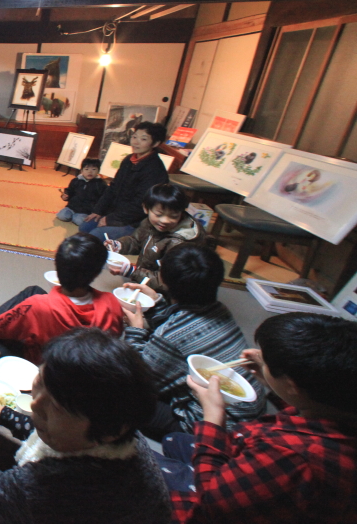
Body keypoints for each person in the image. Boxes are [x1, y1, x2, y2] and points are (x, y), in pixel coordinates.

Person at [0, 328, 172, 524]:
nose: (35, 405)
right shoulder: (123, 433)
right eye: (40, 381)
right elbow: (52, 432)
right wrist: (2, 413)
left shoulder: (52, 487)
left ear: (110, 431)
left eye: (56, 407)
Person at [160, 312, 357, 524]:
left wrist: (213, 415)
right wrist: (269, 379)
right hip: (246, 455)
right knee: (173, 440)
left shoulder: (292, 457)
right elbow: (302, 404)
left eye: (266, 360)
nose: (255, 355)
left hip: (208, 508)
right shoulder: (337, 407)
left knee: (142, 465)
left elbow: (210, 504)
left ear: (292, 385)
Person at [121, 243, 266, 438]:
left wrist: (135, 330)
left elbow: (139, 377)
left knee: (123, 395)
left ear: (164, 280)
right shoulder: (219, 309)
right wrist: (157, 303)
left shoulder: (172, 335)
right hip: (251, 412)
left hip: (219, 425)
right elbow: (182, 319)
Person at [0, 233, 123, 365]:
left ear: (57, 266)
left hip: (41, 365)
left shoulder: (40, 306)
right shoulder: (112, 303)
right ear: (96, 272)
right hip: (75, 363)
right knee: (33, 290)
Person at [105, 183, 204, 293]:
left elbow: (165, 281)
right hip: (146, 280)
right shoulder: (149, 223)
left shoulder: (179, 243)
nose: (165, 220)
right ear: (146, 208)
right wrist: (119, 245)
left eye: (173, 216)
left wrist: (133, 272)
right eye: (159, 214)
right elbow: (136, 241)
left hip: (166, 293)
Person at [80, 122, 169, 241]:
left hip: (136, 221)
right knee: (85, 227)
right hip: (117, 212)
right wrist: (98, 210)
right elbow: (113, 187)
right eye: (134, 137)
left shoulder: (154, 169)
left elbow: (141, 205)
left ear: (156, 143)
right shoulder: (129, 160)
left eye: (143, 139)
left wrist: (110, 219)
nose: (135, 142)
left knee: (96, 235)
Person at [57, 157, 107, 226]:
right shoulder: (76, 180)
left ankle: (75, 217)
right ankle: (72, 215)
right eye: (86, 169)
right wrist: (65, 196)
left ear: (98, 171)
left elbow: (104, 198)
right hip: (72, 207)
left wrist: (98, 211)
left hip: (86, 210)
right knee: (62, 216)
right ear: (81, 171)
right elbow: (69, 190)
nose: (90, 172)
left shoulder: (100, 184)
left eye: (94, 169)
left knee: (79, 221)